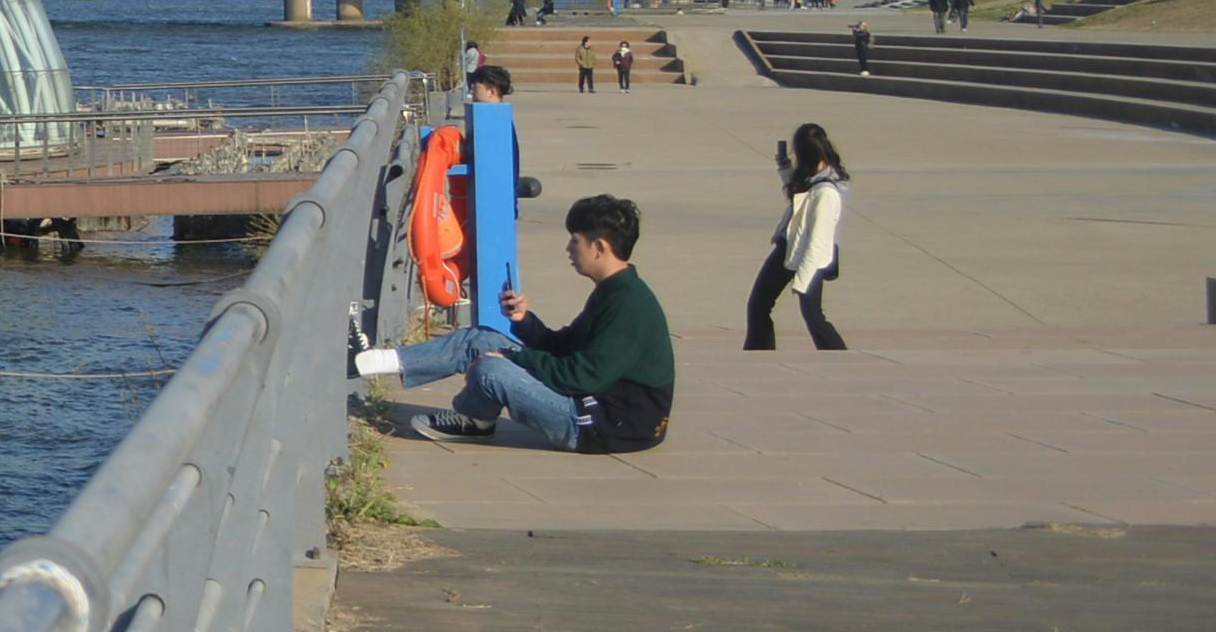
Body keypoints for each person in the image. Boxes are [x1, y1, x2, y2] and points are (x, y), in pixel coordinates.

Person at [356, 194, 674, 451]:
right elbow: (565, 349)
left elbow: (581, 377)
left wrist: (515, 357)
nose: (568, 249)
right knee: (481, 339)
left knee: (491, 370)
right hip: (592, 404)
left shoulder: (628, 306)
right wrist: (525, 322)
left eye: (575, 241)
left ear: (599, 247)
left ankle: (473, 421)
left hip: (604, 426)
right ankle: (378, 361)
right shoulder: (614, 291)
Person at [746, 124, 848, 349]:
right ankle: (757, 355)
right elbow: (799, 195)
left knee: (813, 317)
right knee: (758, 305)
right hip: (788, 247)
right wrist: (784, 168)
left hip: (809, 258)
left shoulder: (827, 194)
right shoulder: (812, 179)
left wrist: (803, 280)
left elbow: (818, 244)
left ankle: (841, 357)